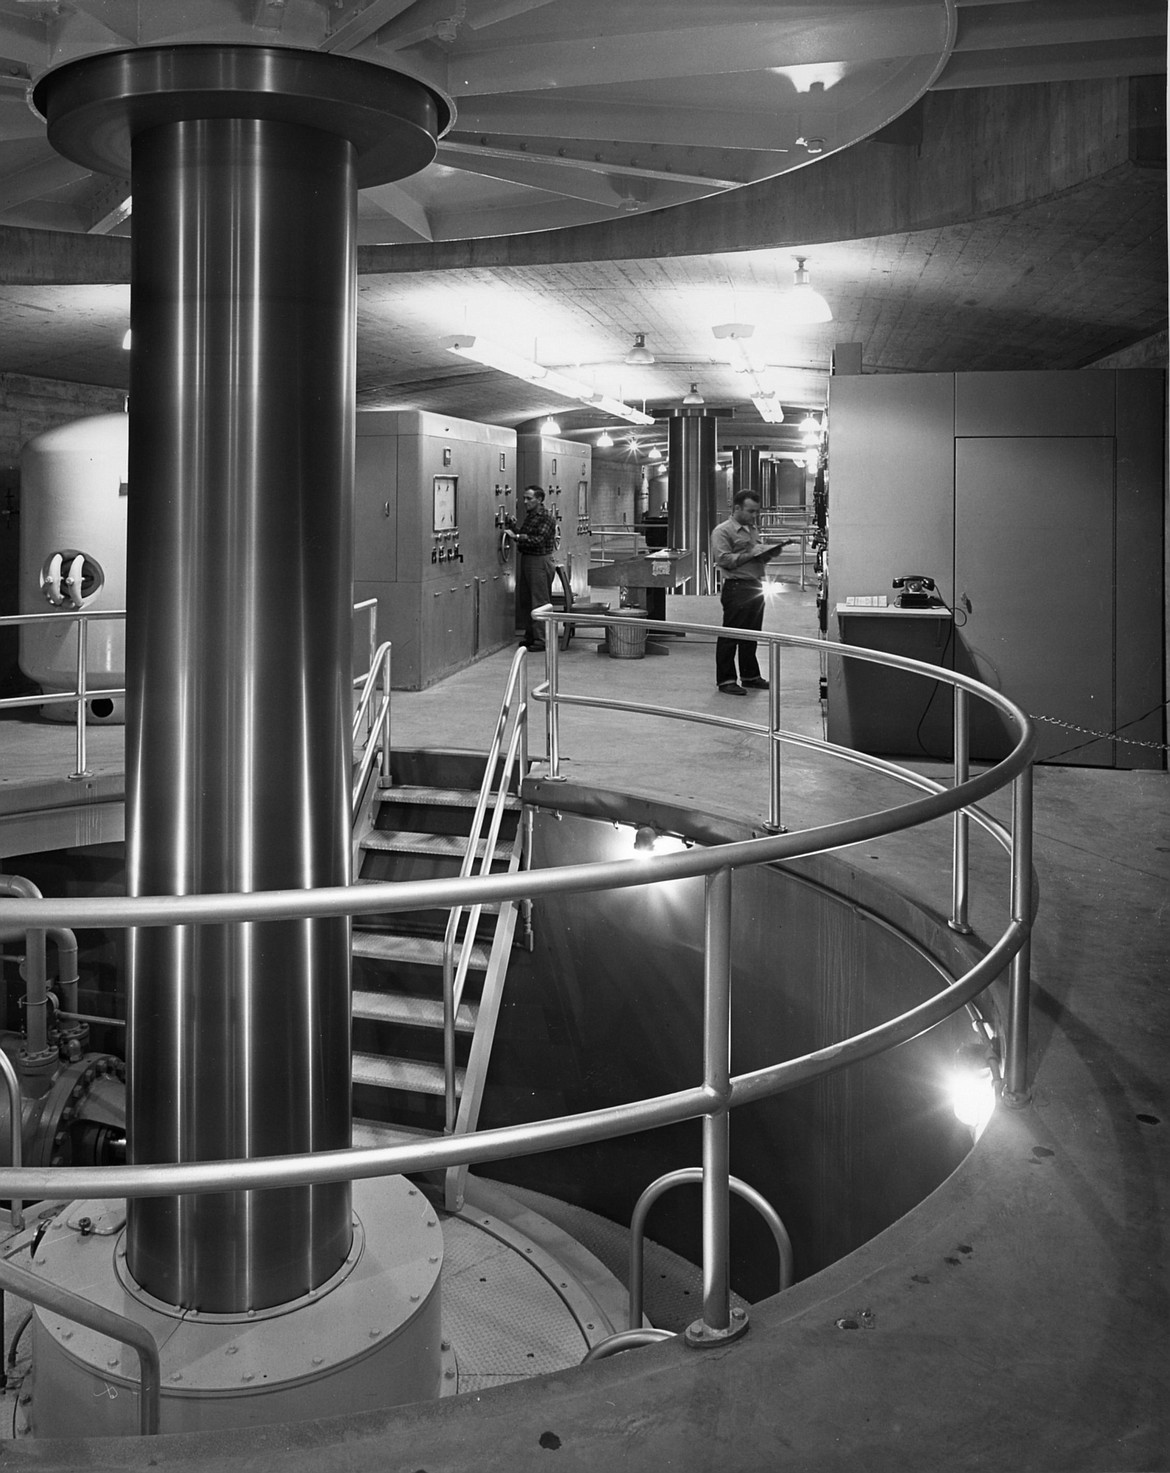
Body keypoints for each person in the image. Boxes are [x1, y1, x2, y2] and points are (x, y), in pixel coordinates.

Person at [709, 489, 796, 695]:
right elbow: (724, 560)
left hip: (755, 585)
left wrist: (768, 553)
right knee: (731, 634)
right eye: (750, 511)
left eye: (756, 512)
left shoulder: (751, 529)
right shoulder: (723, 531)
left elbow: (756, 557)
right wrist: (750, 554)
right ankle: (726, 679)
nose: (754, 516)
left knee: (751, 633)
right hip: (737, 587)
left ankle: (750, 675)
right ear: (737, 508)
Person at [504, 484, 558, 650]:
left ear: (539, 499)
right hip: (528, 559)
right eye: (524, 498)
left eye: (529, 498)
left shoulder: (546, 517)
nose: (525, 501)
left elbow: (538, 539)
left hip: (539, 561)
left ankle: (542, 640)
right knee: (526, 600)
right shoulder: (531, 516)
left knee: (539, 601)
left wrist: (517, 536)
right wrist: (514, 527)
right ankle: (531, 636)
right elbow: (527, 534)